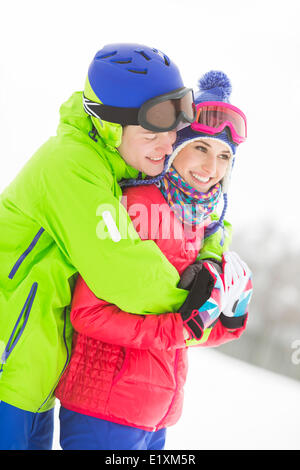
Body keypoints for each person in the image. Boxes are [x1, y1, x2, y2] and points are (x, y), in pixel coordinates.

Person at [0, 43, 204, 451]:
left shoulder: (110, 168)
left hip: (32, 368)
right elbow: (121, 268)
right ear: (110, 125)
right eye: (152, 133)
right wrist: (195, 302)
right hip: (9, 365)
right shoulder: (72, 165)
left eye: (174, 131)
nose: (168, 145)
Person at [55, 71, 253, 450]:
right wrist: (178, 328)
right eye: (201, 149)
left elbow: (188, 328)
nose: (211, 168)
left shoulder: (200, 225)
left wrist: (229, 318)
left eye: (224, 155)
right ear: (175, 148)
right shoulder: (135, 206)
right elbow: (87, 314)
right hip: (105, 409)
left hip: (157, 413)